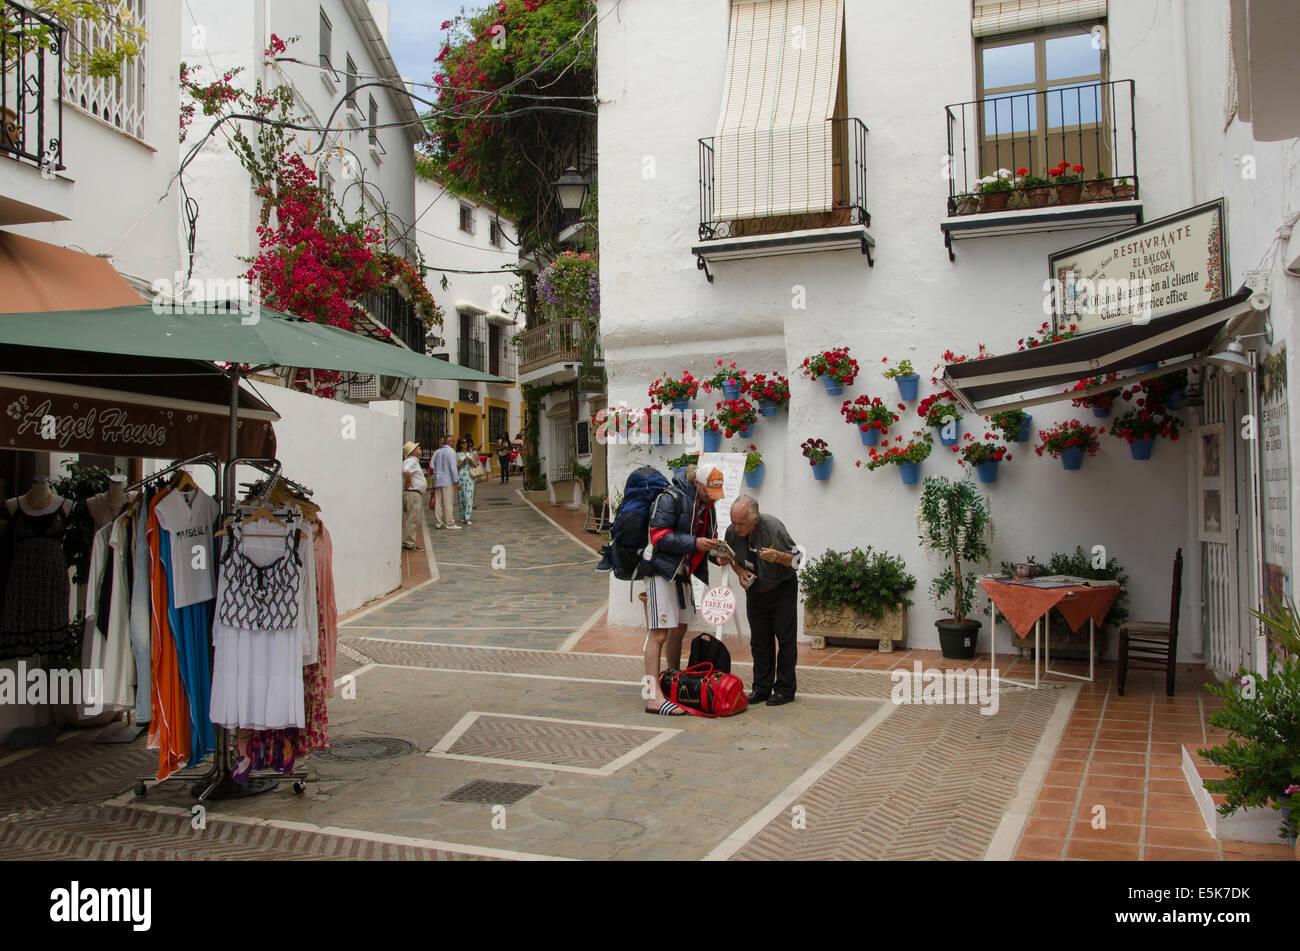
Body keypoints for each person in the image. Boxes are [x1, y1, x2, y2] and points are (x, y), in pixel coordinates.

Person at [641, 465, 725, 715]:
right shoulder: (670, 498)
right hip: (660, 570)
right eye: (710, 491)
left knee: (679, 628)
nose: (713, 496)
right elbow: (658, 537)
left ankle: (671, 682)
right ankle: (652, 696)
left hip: (682, 572)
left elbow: (706, 538)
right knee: (657, 634)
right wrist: (695, 543)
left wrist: (716, 555)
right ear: (698, 484)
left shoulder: (707, 506)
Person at [721, 495, 802, 705]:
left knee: (785, 639)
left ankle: (785, 689)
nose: (736, 528)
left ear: (754, 520)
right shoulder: (732, 532)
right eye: (734, 522)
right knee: (759, 640)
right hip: (755, 589)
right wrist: (739, 571)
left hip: (781, 586)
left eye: (741, 524)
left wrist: (778, 557)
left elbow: (797, 560)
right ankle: (761, 688)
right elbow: (730, 556)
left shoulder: (774, 528)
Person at [430, 435, 461, 531]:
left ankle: (438, 522)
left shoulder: (438, 452)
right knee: (448, 502)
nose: (454, 443)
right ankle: (450, 522)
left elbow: (432, 465)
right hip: (447, 480)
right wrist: (456, 481)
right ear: (449, 442)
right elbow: (453, 467)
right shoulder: (451, 452)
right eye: (453, 441)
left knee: (438, 502)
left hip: (438, 479)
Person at [401, 441, 426, 551]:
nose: (419, 448)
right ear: (413, 452)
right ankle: (409, 543)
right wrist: (408, 481)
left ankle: (409, 542)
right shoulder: (412, 461)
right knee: (413, 519)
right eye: (417, 447)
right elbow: (405, 471)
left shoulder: (411, 461)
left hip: (413, 494)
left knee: (411, 518)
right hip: (413, 494)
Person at [456, 436, 478, 527]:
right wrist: (463, 461)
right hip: (461, 476)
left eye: (466, 442)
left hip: (470, 476)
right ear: (460, 444)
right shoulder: (457, 454)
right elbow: (457, 466)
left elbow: (475, 465)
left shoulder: (471, 453)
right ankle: (462, 516)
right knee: (461, 497)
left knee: (469, 497)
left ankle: (467, 517)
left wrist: (470, 461)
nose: (465, 444)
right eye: (463, 442)